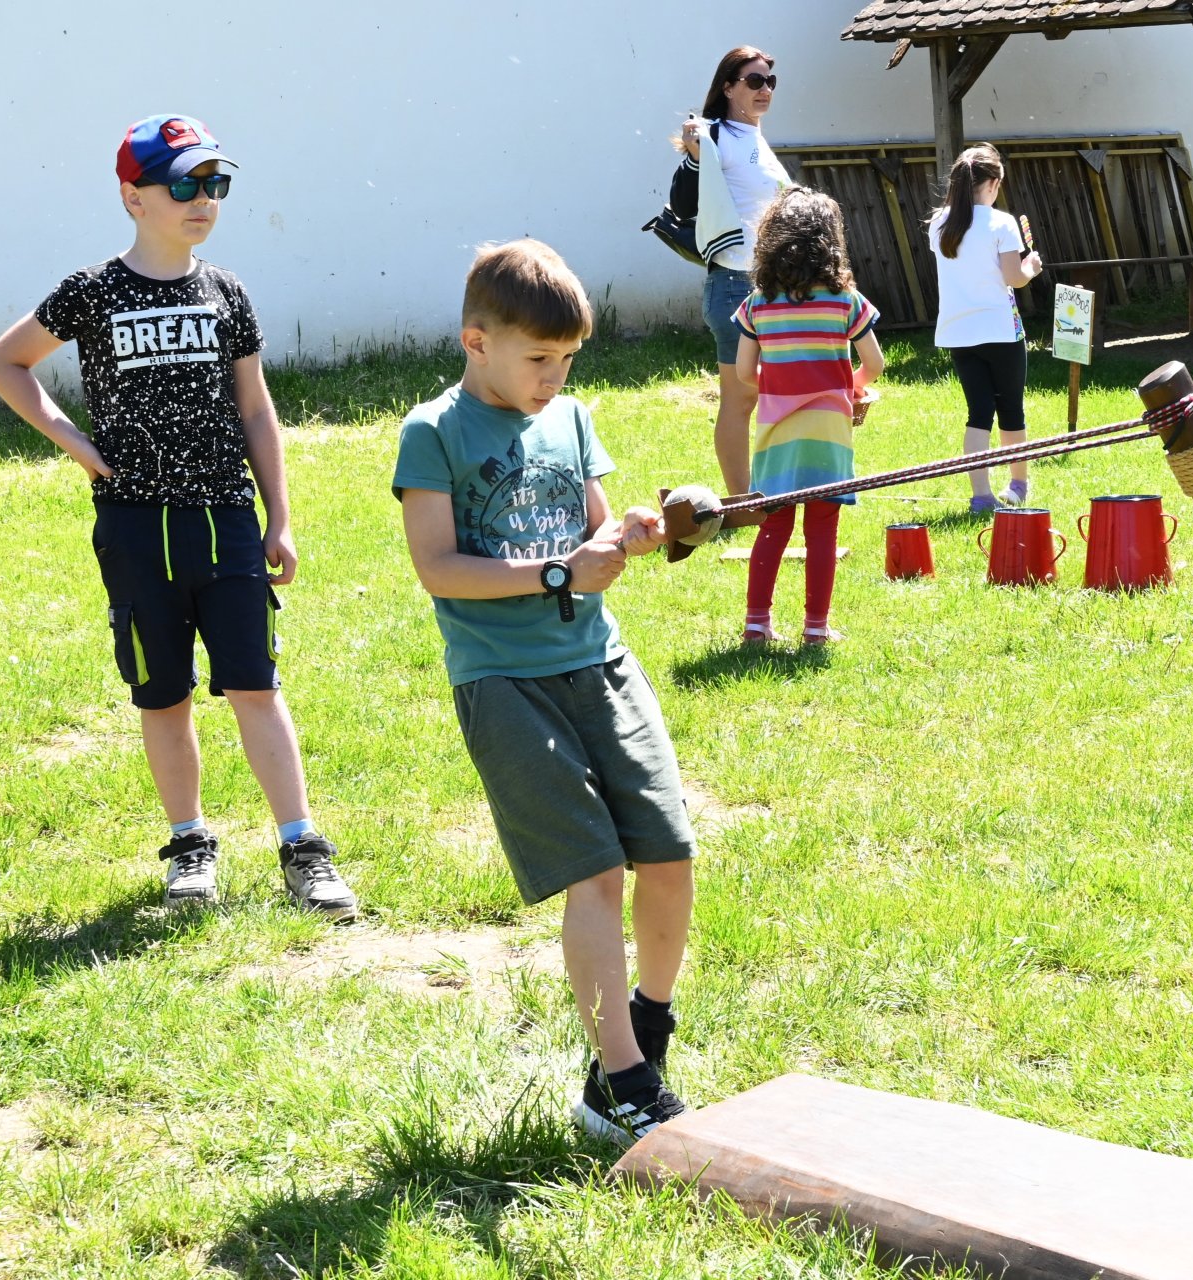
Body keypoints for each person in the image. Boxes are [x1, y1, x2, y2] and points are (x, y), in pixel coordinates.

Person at [0, 114, 356, 920]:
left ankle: (303, 849)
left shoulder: (227, 292)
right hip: (133, 523)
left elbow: (256, 409)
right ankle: (190, 846)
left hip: (224, 517)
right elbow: (5, 362)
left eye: (214, 184)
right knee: (163, 694)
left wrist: (278, 514)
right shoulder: (92, 291)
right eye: (181, 184)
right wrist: (76, 443)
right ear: (132, 196)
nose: (201, 199)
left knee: (255, 684)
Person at [393, 239, 695, 1145]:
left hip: (599, 663)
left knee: (669, 852)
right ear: (474, 342)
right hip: (504, 682)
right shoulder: (433, 432)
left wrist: (641, 529)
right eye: (538, 360)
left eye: (567, 361)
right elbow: (439, 569)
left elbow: (598, 533)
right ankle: (622, 1082)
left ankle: (648, 1030)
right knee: (595, 873)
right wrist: (564, 572)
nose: (553, 379)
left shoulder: (573, 418)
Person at [733, 188, 885, 647]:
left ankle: (756, 625)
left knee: (773, 525)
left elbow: (743, 373)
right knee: (823, 527)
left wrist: (780, 387)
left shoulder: (758, 303)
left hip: (776, 433)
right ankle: (816, 629)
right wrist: (853, 389)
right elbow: (874, 364)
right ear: (830, 241)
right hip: (829, 432)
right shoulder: (846, 300)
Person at [679, 45, 790, 498]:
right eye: (754, 81)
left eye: (770, 81)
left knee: (777, 390)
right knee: (741, 397)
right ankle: (742, 499)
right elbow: (684, 204)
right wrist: (693, 154)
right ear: (728, 87)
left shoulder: (755, 138)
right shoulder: (716, 134)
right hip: (733, 284)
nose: (765, 90)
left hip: (772, 285)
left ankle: (771, 489)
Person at [928, 145, 1044, 516]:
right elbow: (1014, 278)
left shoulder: (939, 223)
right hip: (1001, 330)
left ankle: (981, 496)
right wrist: (1032, 267)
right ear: (993, 183)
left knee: (978, 412)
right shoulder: (1001, 222)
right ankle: (1018, 485)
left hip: (959, 333)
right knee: (1011, 408)